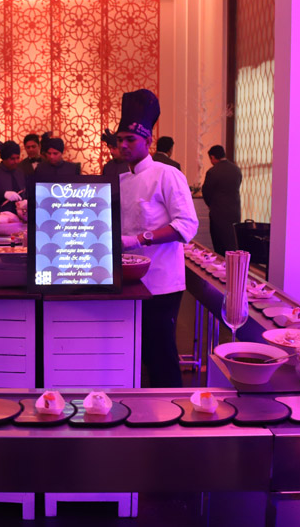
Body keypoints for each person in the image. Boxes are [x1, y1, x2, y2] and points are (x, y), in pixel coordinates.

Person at [116, 89, 198, 388]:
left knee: (161, 355)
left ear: (148, 140)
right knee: (136, 353)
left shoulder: (167, 174)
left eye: (130, 139)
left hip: (161, 283)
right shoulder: (122, 180)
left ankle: (174, 409)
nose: (123, 145)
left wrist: (138, 239)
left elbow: (187, 225)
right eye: (119, 140)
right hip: (128, 281)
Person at [201, 144, 242, 256]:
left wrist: (211, 205)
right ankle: (232, 265)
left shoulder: (213, 172)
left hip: (218, 213)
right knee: (232, 243)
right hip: (235, 212)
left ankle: (221, 265)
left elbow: (206, 192)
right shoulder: (236, 169)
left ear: (213, 157)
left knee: (219, 245)